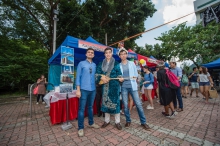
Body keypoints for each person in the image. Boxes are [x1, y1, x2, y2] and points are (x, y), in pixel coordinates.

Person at [118, 48, 150, 130]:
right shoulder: (118, 66)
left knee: (138, 104)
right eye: (121, 54)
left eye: (124, 54)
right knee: (125, 105)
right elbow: (118, 76)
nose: (123, 55)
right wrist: (120, 78)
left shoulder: (132, 63)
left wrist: (134, 78)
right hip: (123, 87)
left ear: (126, 55)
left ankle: (143, 122)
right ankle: (128, 121)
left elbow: (135, 74)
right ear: (119, 56)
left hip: (132, 86)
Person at [96, 47, 123, 130]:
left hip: (114, 87)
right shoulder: (101, 63)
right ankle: (106, 121)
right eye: (106, 53)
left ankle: (117, 122)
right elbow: (97, 74)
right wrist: (101, 78)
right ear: (104, 54)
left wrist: (120, 78)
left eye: (109, 52)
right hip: (105, 87)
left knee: (116, 104)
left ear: (112, 54)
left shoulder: (116, 63)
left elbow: (119, 74)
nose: (108, 54)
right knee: (105, 103)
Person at [76, 48, 100, 137]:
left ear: (93, 55)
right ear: (86, 54)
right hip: (83, 89)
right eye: (89, 52)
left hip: (93, 89)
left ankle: (91, 123)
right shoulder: (81, 64)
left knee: (90, 107)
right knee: (81, 109)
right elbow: (78, 77)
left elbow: (96, 77)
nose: (90, 53)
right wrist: (78, 90)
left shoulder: (94, 65)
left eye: (92, 53)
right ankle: (80, 128)